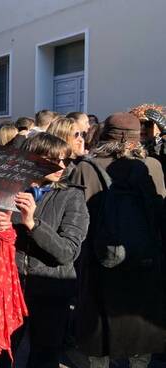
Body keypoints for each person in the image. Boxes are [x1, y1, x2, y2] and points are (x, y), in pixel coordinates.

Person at [0, 133, 89, 367]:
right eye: (52, 160)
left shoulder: (72, 196)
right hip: (10, 288)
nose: (61, 166)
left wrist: (32, 224)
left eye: (64, 160)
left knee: (44, 357)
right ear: (31, 160)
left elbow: (67, 252)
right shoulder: (7, 191)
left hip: (51, 292)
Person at [72, 113, 165, 368]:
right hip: (144, 263)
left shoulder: (85, 168)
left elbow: (76, 221)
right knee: (140, 340)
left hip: (99, 263)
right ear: (137, 139)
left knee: (99, 340)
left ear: (104, 135)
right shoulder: (152, 167)